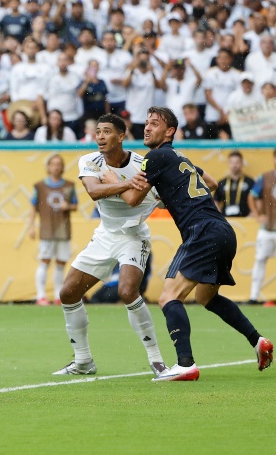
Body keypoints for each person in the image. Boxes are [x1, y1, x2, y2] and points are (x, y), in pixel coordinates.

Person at [121, 106, 273, 380]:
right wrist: (172, 195)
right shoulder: (181, 157)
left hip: (200, 231)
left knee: (169, 297)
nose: (146, 127)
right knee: (206, 296)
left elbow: (132, 199)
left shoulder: (154, 157)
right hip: (223, 230)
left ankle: (185, 363)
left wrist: (112, 181)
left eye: (154, 123)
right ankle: (257, 340)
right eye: (146, 123)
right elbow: (212, 183)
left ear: (169, 132)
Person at [53, 114, 165, 376]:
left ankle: (157, 360)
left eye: (106, 132)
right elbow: (93, 191)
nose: (100, 137)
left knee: (127, 291)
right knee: (68, 293)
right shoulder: (89, 160)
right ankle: (83, 361)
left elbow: (145, 200)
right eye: (98, 132)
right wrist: (125, 184)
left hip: (133, 236)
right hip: (105, 235)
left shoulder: (142, 164)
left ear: (121, 136)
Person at [27, 154, 78, 305]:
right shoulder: (40, 186)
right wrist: (31, 226)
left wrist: (68, 206)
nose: (56, 167)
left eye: (59, 164)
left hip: (63, 230)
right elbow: (33, 206)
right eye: (53, 164)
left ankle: (58, 295)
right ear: (48, 167)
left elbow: (75, 205)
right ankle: (41, 295)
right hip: (47, 229)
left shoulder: (69, 186)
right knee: (44, 261)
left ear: (62, 167)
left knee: (61, 262)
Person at [248, 150, 276, 304]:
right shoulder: (265, 178)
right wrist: (257, 214)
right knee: (260, 260)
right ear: (273, 159)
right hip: (267, 229)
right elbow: (252, 195)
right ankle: (253, 296)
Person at [214, 151, 254, 218]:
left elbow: (256, 199)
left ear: (242, 163)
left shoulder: (250, 182)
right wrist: (219, 216)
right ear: (228, 163)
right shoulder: (222, 183)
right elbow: (215, 200)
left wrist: (252, 215)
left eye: (237, 162)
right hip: (226, 220)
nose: (234, 165)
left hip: (245, 220)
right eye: (231, 162)